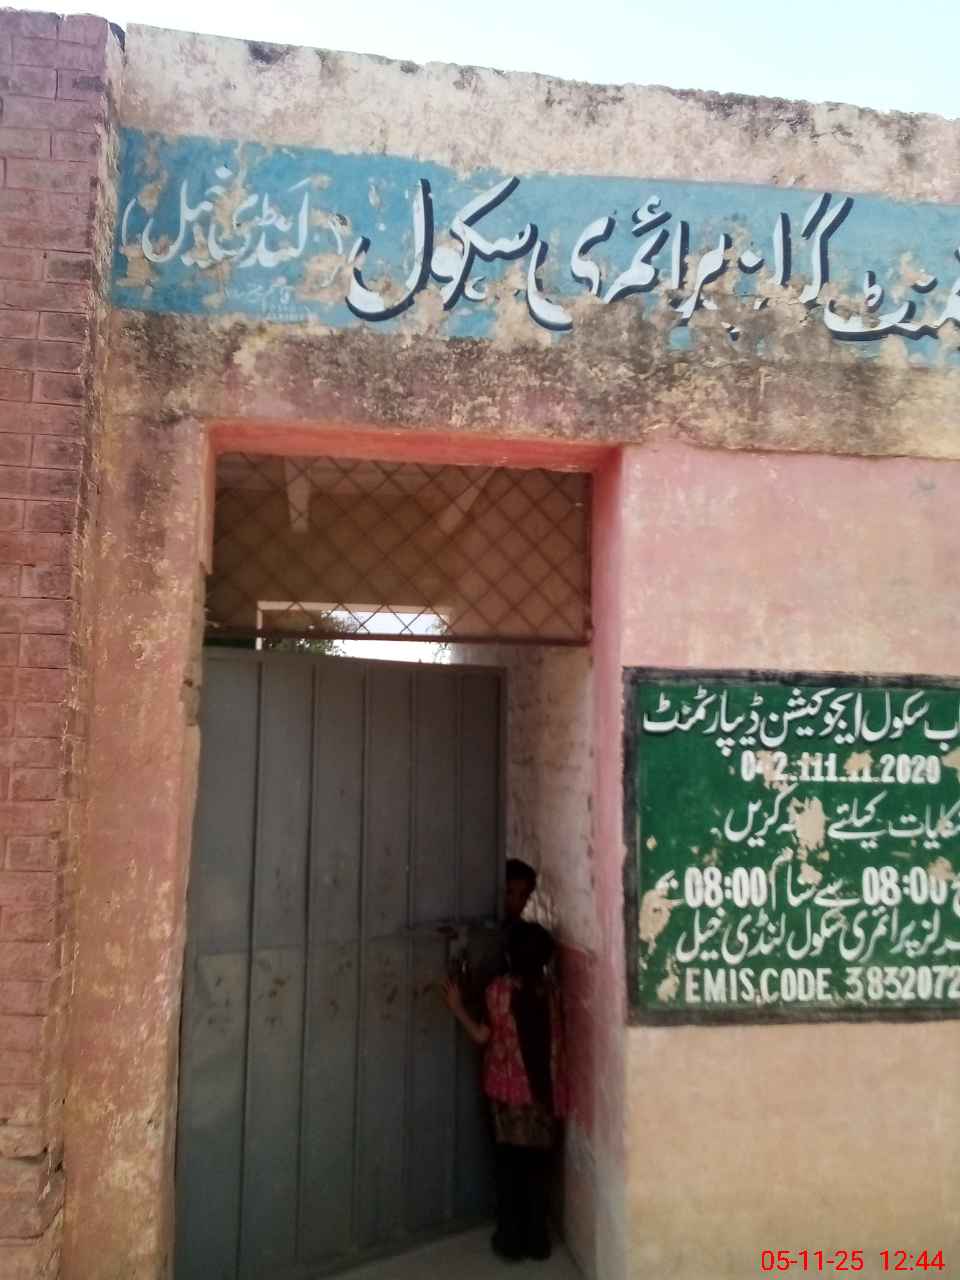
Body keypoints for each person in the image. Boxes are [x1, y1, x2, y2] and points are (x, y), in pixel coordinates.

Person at [444, 920, 567, 1262]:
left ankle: (511, 1241)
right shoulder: (552, 992)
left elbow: (482, 1036)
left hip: (508, 1095)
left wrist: (456, 1007)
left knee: (509, 1168)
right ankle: (538, 1242)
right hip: (543, 1095)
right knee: (537, 1168)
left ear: (510, 957)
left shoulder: (498, 992)